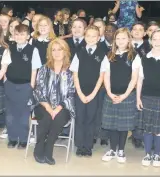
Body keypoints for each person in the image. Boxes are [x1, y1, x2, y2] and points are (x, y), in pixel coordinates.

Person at [135, 29, 160, 167]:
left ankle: (157, 154)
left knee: (159, 130)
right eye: (155, 39)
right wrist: (138, 98)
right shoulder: (144, 58)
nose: (157, 42)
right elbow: (140, 80)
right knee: (147, 128)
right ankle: (147, 154)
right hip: (146, 97)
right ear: (150, 41)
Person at [33, 38, 75, 165]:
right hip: (43, 105)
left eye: (60, 49)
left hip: (63, 107)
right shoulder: (44, 69)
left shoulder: (71, 71)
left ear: (65, 51)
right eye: (53, 50)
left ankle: (49, 147)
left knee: (58, 118)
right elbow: (38, 90)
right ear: (50, 52)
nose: (56, 53)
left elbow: (72, 93)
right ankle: (39, 146)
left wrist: (58, 108)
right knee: (46, 118)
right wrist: (49, 108)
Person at [101, 28, 138, 163]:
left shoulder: (134, 55)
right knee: (112, 124)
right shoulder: (110, 54)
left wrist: (124, 95)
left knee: (123, 125)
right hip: (111, 94)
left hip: (127, 95)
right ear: (114, 40)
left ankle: (121, 150)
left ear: (129, 39)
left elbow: (134, 78)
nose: (121, 41)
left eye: (123, 38)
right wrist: (110, 93)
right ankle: (112, 149)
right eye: (118, 38)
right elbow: (106, 75)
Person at [70, 25, 106, 156]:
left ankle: (88, 146)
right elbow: (75, 74)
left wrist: (93, 94)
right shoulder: (79, 53)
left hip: (94, 93)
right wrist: (79, 92)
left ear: (98, 38)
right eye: (88, 36)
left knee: (91, 118)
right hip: (79, 91)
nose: (91, 38)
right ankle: (79, 145)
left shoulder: (102, 54)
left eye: (94, 36)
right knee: (80, 118)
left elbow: (101, 77)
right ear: (84, 37)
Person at [5, 24, 42, 149]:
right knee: (10, 114)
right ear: (13, 36)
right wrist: (5, 81)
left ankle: (24, 139)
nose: (19, 37)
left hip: (25, 85)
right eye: (16, 34)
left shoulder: (33, 50)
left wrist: (31, 86)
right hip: (10, 85)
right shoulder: (9, 48)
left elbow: (34, 70)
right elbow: (4, 67)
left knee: (24, 114)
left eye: (22, 34)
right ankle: (13, 138)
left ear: (27, 36)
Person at [128, 21, 151, 148]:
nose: (137, 31)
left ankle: (137, 136)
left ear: (145, 33)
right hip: (126, 83)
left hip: (142, 83)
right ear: (131, 32)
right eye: (135, 29)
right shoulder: (125, 44)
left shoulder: (149, 47)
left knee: (140, 110)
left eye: (140, 29)